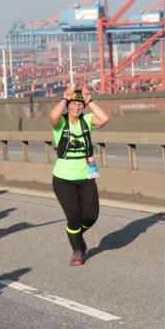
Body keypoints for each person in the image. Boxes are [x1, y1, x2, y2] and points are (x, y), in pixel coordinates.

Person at [48, 86, 110, 265]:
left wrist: (90, 101)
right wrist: (63, 99)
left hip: (86, 176)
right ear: (68, 106)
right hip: (63, 179)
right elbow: (52, 117)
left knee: (91, 216)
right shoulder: (61, 123)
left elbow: (104, 119)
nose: (76, 107)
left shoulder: (87, 120)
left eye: (79, 104)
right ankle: (77, 250)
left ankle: (75, 234)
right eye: (73, 104)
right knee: (74, 216)